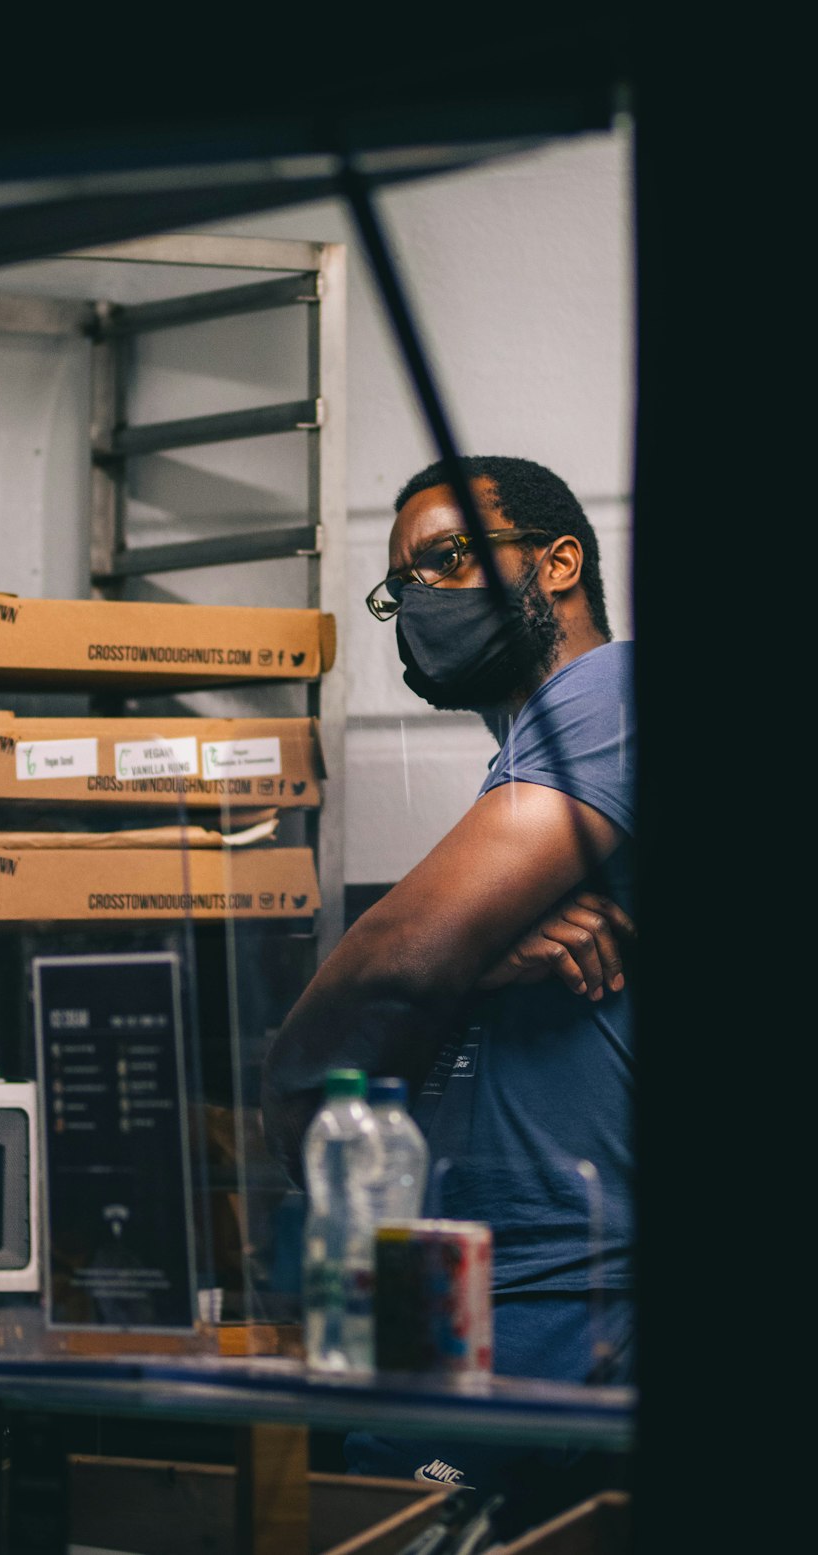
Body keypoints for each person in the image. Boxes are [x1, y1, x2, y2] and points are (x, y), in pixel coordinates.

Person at [261, 454, 636, 1537]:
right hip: (453, 1287)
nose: (421, 598)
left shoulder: (609, 696)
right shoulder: (524, 768)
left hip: (567, 1297)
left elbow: (395, 963)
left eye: (451, 558)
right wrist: (483, 955)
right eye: (401, 584)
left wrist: (297, 1064)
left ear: (559, 562)